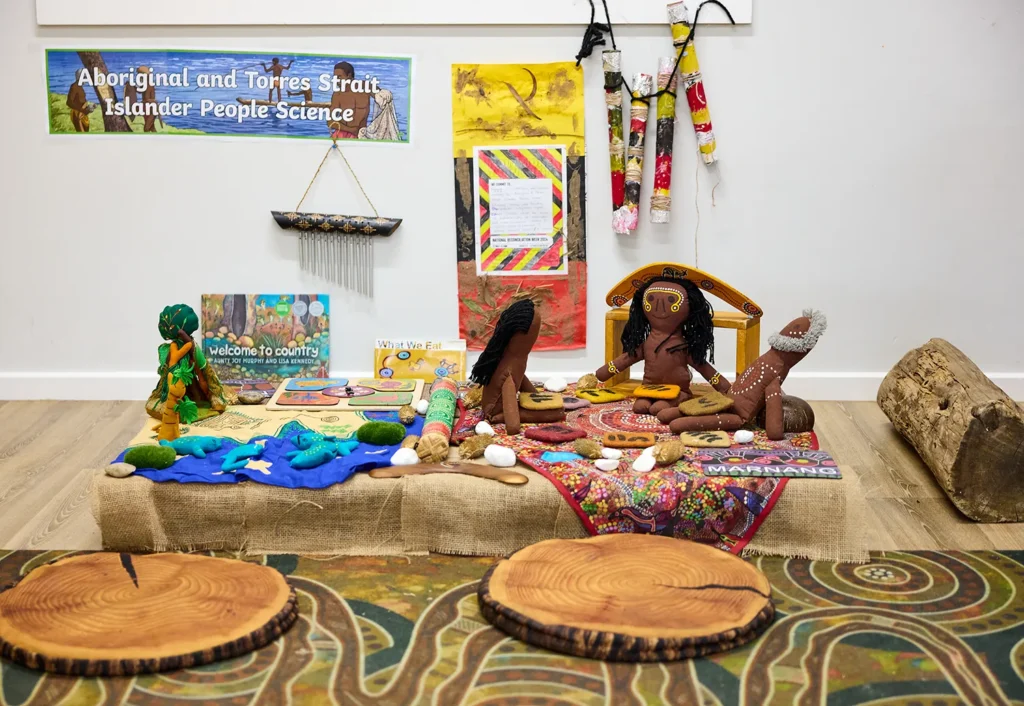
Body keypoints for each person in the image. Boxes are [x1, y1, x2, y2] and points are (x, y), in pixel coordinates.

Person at [327, 61, 370, 139]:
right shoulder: (337, 95)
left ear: (349, 75)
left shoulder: (365, 87)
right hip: (343, 133)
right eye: (335, 77)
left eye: (339, 77)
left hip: (362, 134)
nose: (336, 80)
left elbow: (381, 94)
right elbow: (330, 122)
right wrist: (351, 130)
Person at [139, 66, 163, 133]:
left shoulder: (149, 84)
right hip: (146, 109)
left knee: (146, 128)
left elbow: (148, 98)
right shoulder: (143, 84)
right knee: (152, 128)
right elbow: (139, 91)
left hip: (151, 108)